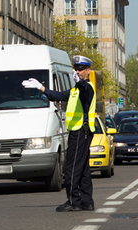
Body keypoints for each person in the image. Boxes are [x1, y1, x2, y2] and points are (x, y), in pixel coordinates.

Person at [22, 55, 96, 212]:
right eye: (76, 69)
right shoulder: (75, 90)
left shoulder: (87, 87)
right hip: (80, 133)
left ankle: (73, 201)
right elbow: (58, 96)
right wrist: (41, 88)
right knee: (82, 169)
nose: (77, 71)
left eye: (81, 69)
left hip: (80, 133)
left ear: (88, 71)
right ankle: (87, 201)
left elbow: (85, 89)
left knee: (71, 168)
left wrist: (80, 82)